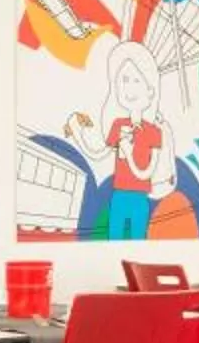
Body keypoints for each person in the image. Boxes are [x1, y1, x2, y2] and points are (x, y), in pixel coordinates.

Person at [63, 40, 174, 241]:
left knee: (137, 245)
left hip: (140, 200)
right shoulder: (118, 125)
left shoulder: (154, 132)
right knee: (113, 243)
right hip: (119, 197)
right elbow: (96, 154)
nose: (129, 89)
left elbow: (145, 173)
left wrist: (129, 154)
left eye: (136, 81)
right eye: (124, 80)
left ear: (150, 90)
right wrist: (77, 133)